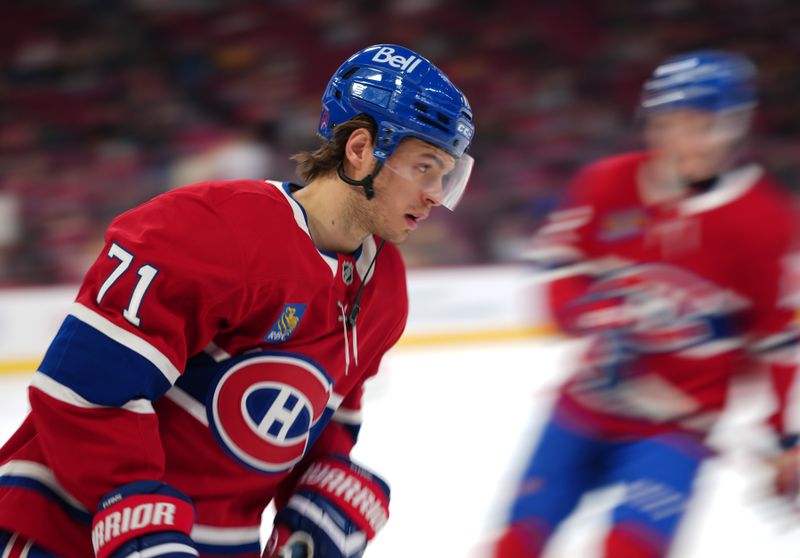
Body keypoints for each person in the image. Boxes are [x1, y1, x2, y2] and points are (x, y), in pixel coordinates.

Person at [0, 43, 475, 558]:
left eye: (446, 175)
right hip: (67, 534)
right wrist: (140, 524)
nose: (435, 193)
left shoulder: (384, 288)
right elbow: (83, 392)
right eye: (425, 167)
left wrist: (321, 490)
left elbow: (327, 415)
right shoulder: (207, 230)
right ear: (360, 149)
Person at [491, 50, 800, 557]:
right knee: (513, 545)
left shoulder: (765, 219)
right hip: (583, 408)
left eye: (698, 124)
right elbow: (557, 266)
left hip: (674, 430)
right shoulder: (607, 182)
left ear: (733, 126)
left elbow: (775, 338)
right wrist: (589, 317)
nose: (678, 139)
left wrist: (784, 441)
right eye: (666, 123)